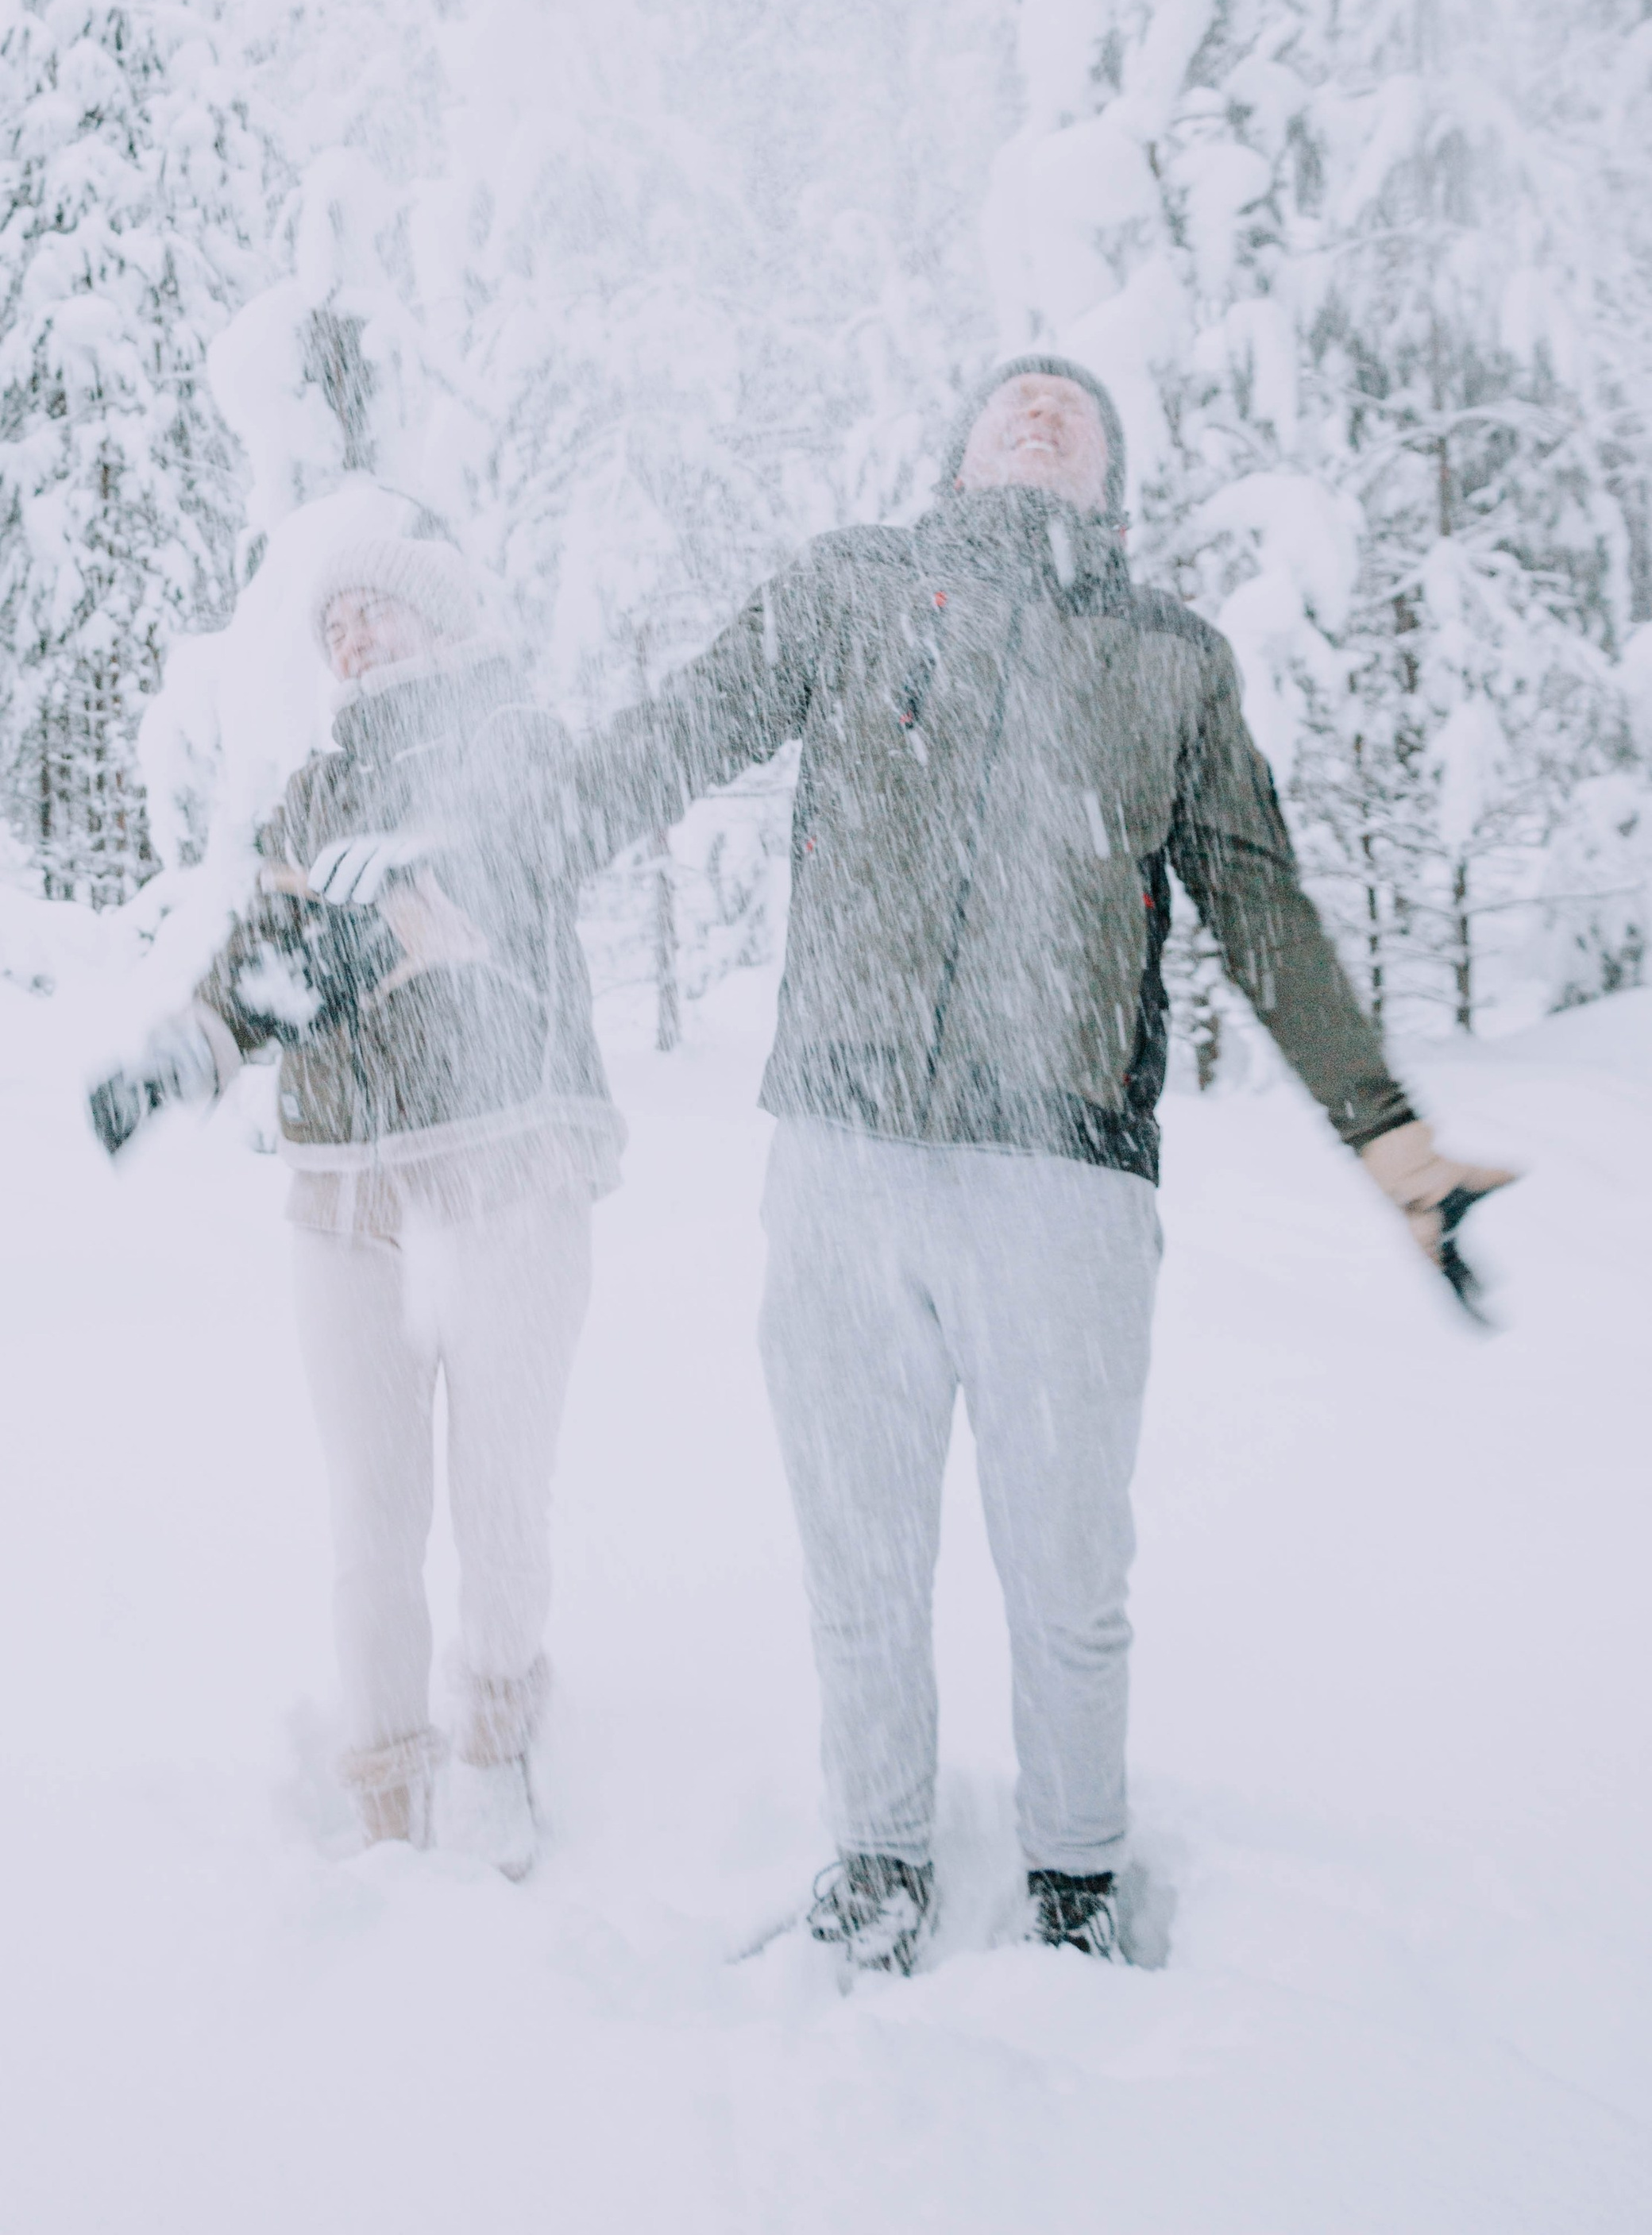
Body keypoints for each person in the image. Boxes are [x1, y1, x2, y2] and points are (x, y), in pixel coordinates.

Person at [575, 355, 1515, 1973]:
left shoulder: (1165, 660)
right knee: (858, 1558)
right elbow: (664, 742)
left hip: (1062, 1183)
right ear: (953, 441)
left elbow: (1262, 911)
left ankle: (1072, 1872)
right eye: (1011, 396)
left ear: (1109, 478)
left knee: (1067, 1569)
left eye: (1069, 407)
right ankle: (874, 1852)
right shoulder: (853, 592)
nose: (1036, 411)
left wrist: (1389, 1139)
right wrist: (497, 855)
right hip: (843, 1163)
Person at [89, 526, 622, 1878]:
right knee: (370, 1513)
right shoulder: (313, 796)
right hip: (344, 1190)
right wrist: (187, 1053)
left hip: (508, 1164)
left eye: (374, 612)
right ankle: (388, 1794)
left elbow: (520, 873)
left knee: (502, 1495)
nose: (351, 638)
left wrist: (398, 910)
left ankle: (498, 1740)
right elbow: (264, 961)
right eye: (333, 627)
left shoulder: (517, 742)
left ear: (439, 622)